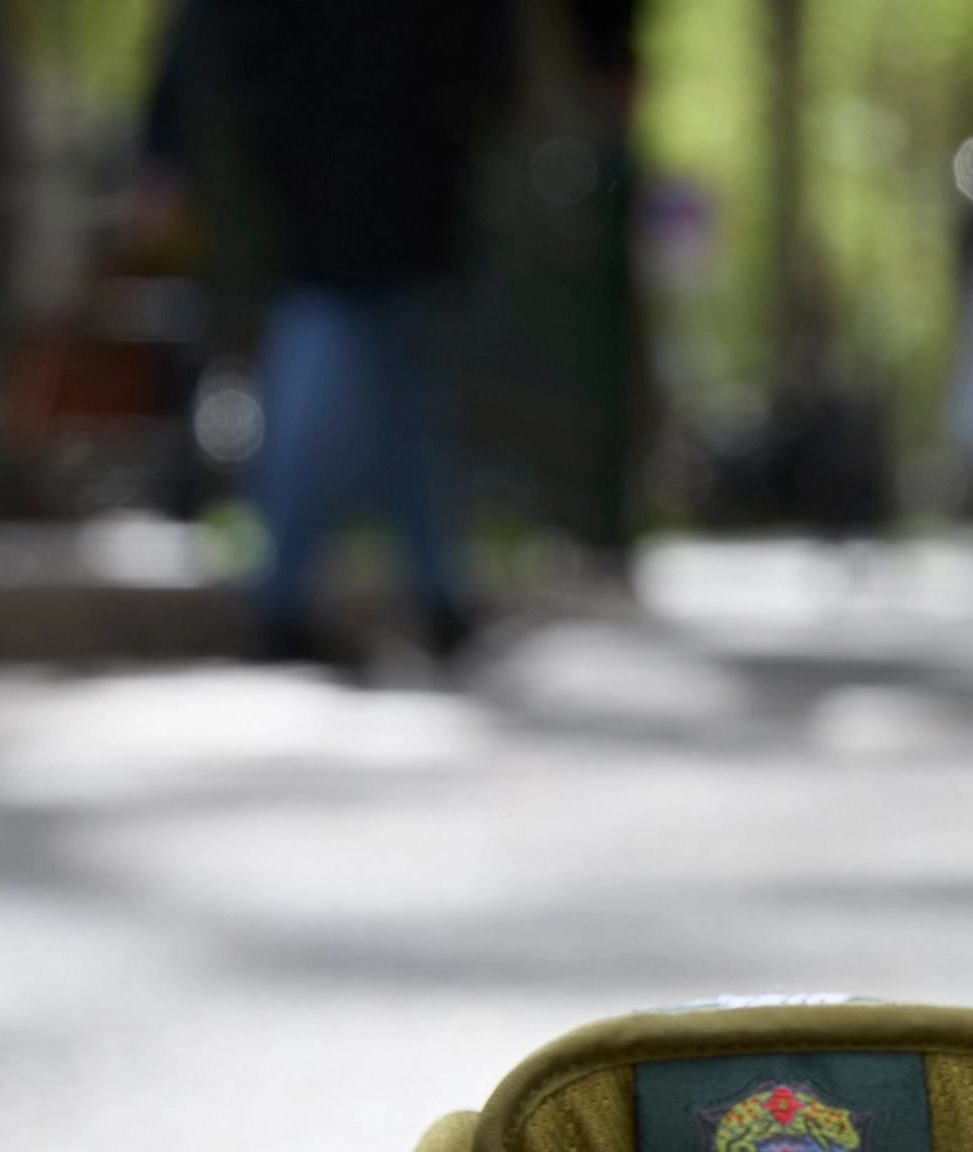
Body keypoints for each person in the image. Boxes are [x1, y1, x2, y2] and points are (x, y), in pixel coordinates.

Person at [143, 0, 634, 664]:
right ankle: (293, 599)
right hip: (338, 169)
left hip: (383, 166)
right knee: (351, 363)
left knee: (403, 385)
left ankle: (414, 597)